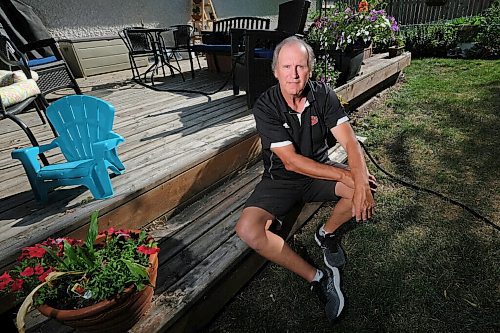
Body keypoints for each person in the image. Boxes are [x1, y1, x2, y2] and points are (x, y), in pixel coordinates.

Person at [234, 36, 376, 323]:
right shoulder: (266, 105)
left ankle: (327, 233)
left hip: (319, 169)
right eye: (286, 66)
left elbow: (350, 142)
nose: (294, 74)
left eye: (300, 66)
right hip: (281, 179)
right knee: (248, 229)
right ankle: (318, 277)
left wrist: (359, 181)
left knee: (365, 186)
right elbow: (291, 161)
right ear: (275, 71)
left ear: (310, 69)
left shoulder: (323, 94)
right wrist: (347, 175)